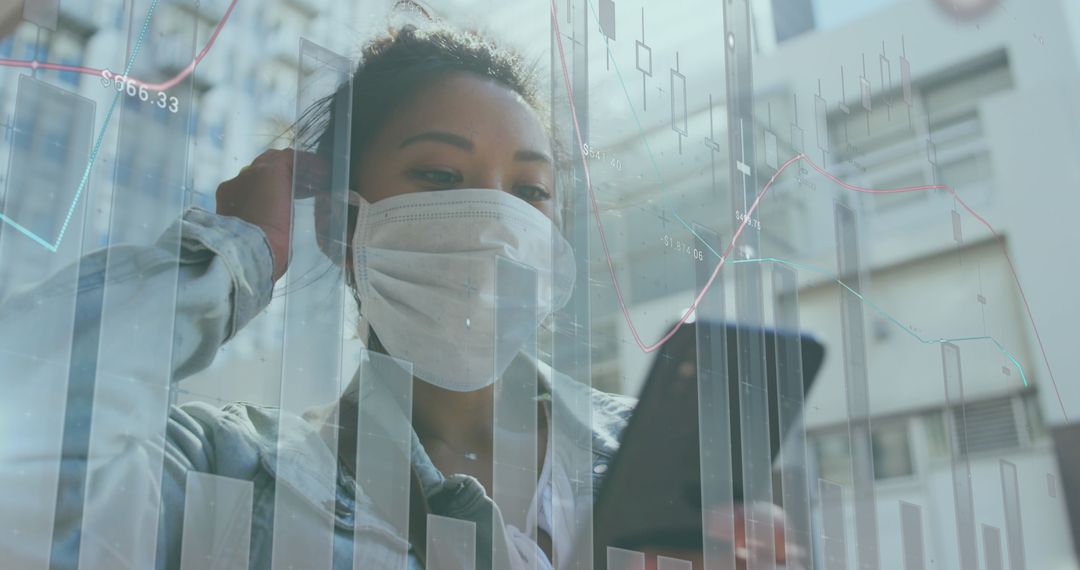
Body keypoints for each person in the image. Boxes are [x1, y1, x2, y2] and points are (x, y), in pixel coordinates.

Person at [0, 19, 794, 570]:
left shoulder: (654, 469)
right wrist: (234, 252)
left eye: (531, 191)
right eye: (439, 177)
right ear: (341, 226)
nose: (495, 221)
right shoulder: (234, 477)